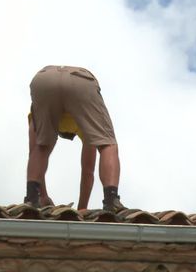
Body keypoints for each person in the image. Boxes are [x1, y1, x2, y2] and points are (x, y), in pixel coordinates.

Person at [24, 65, 125, 212]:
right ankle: (111, 200)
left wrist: (42, 196)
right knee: (107, 144)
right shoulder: (84, 125)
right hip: (81, 82)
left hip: (44, 79)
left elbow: (33, 150)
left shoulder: (42, 116)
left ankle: (32, 199)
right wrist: (82, 208)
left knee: (42, 146)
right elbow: (87, 171)